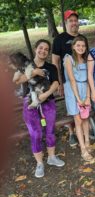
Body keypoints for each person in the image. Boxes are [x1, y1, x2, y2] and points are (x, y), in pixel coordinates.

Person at [12, 39, 65, 178]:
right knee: (35, 134)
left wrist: (45, 95)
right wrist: (34, 72)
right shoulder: (26, 64)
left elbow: (55, 83)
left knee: (50, 131)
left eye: (46, 49)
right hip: (30, 104)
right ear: (36, 49)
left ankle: (52, 157)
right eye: (40, 48)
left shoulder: (51, 67)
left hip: (48, 102)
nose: (43, 51)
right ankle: (40, 163)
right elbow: (17, 80)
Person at [52, 10, 88, 147]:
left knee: (82, 109)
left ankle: (84, 135)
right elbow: (55, 62)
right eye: (70, 21)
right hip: (68, 81)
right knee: (72, 109)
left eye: (75, 20)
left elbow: (85, 58)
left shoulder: (82, 39)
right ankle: (72, 133)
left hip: (82, 81)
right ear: (65, 23)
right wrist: (59, 82)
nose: (74, 23)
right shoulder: (59, 39)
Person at [63, 36, 95, 161]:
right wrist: (78, 99)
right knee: (78, 119)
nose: (81, 48)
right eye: (78, 46)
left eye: (83, 46)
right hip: (73, 91)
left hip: (84, 89)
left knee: (85, 117)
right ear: (73, 47)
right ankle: (82, 149)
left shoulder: (87, 60)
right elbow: (71, 80)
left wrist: (87, 97)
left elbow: (88, 79)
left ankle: (87, 142)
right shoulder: (68, 59)